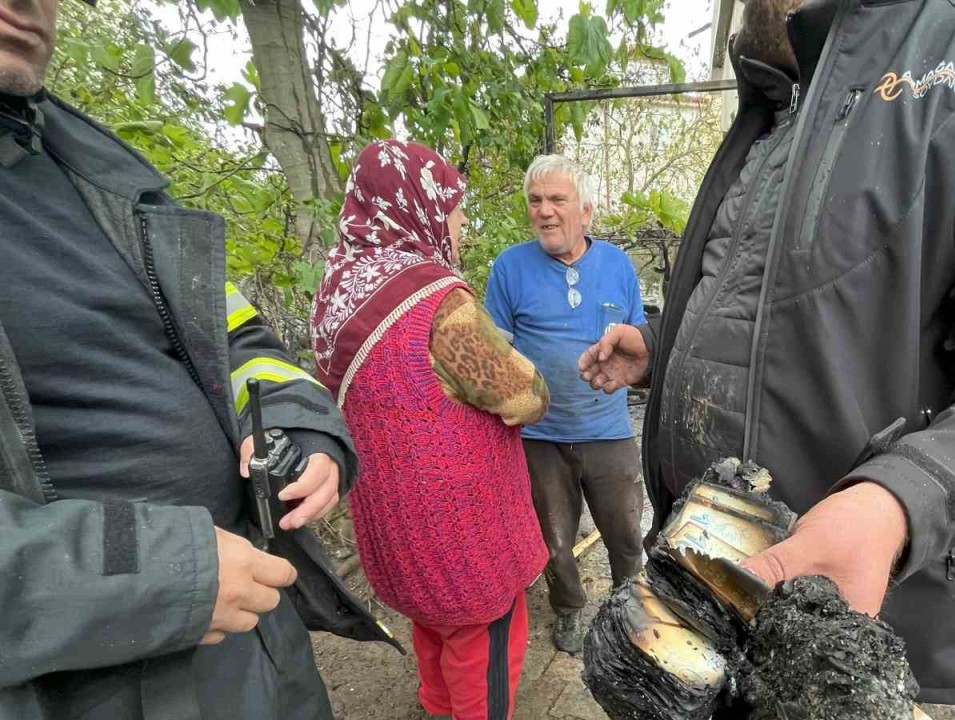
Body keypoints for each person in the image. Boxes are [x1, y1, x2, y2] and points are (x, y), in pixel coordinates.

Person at [579, 0, 955, 707]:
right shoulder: (779, 90)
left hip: (838, 648)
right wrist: (667, 345)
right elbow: (776, 297)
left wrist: (896, 503)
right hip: (704, 604)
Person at [0, 1, 396, 719]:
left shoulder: (102, 177)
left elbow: (238, 338)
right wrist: (152, 571)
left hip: (255, 619)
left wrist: (304, 427)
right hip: (86, 674)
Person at [310, 140, 550, 720]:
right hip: (462, 536)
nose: (461, 220)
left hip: (395, 527)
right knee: (482, 646)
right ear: (414, 205)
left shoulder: (336, 292)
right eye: (452, 205)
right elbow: (524, 395)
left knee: (433, 630)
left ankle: (438, 708)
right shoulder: (436, 302)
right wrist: (533, 379)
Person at [484, 155, 648, 654]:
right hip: (539, 438)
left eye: (558, 199)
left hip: (609, 431)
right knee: (554, 541)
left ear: (588, 210)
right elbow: (494, 354)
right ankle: (569, 610)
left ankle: (631, 608)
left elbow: (640, 342)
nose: (545, 211)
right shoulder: (511, 266)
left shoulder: (618, 265)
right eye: (536, 201)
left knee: (625, 536)